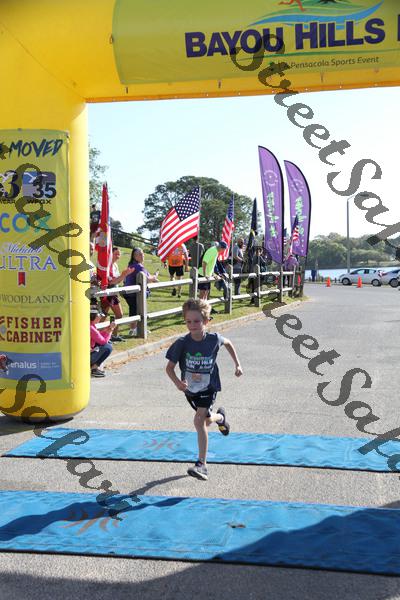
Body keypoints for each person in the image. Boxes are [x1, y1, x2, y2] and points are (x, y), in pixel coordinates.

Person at [166, 298, 243, 481]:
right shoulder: (181, 343)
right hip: (191, 390)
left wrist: (237, 364)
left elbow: (228, 343)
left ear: (206, 321)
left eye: (197, 321)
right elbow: (169, 368)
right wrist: (177, 383)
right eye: (188, 321)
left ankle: (202, 465)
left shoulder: (214, 339)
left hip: (209, 387)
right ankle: (221, 418)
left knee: (199, 420)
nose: (192, 325)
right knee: (207, 420)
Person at [100, 247, 135, 342]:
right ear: (110, 254)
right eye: (116, 254)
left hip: (113, 293)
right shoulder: (108, 265)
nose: (118, 256)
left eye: (119, 254)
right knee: (106, 316)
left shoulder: (115, 265)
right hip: (107, 293)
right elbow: (111, 282)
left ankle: (111, 335)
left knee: (114, 315)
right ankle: (102, 336)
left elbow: (117, 280)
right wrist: (124, 275)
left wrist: (124, 275)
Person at [123, 247, 159, 336]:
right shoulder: (138, 266)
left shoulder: (133, 264)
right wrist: (154, 277)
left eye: (142, 253)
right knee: (137, 311)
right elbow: (147, 278)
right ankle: (135, 329)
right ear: (135, 256)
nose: (142, 255)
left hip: (129, 293)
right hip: (133, 293)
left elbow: (147, 277)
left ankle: (134, 329)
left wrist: (153, 278)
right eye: (140, 254)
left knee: (134, 311)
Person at [90, 306, 115, 377]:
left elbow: (98, 337)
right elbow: (104, 342)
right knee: (108, 347)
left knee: (106, 345)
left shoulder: (90, 325)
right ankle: (94, 368)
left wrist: (106, 330)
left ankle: (95, 367)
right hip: (87, 355)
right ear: (94, 316)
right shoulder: (91, 327)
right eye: (99, 316)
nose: (100, 318)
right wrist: (110, 330)